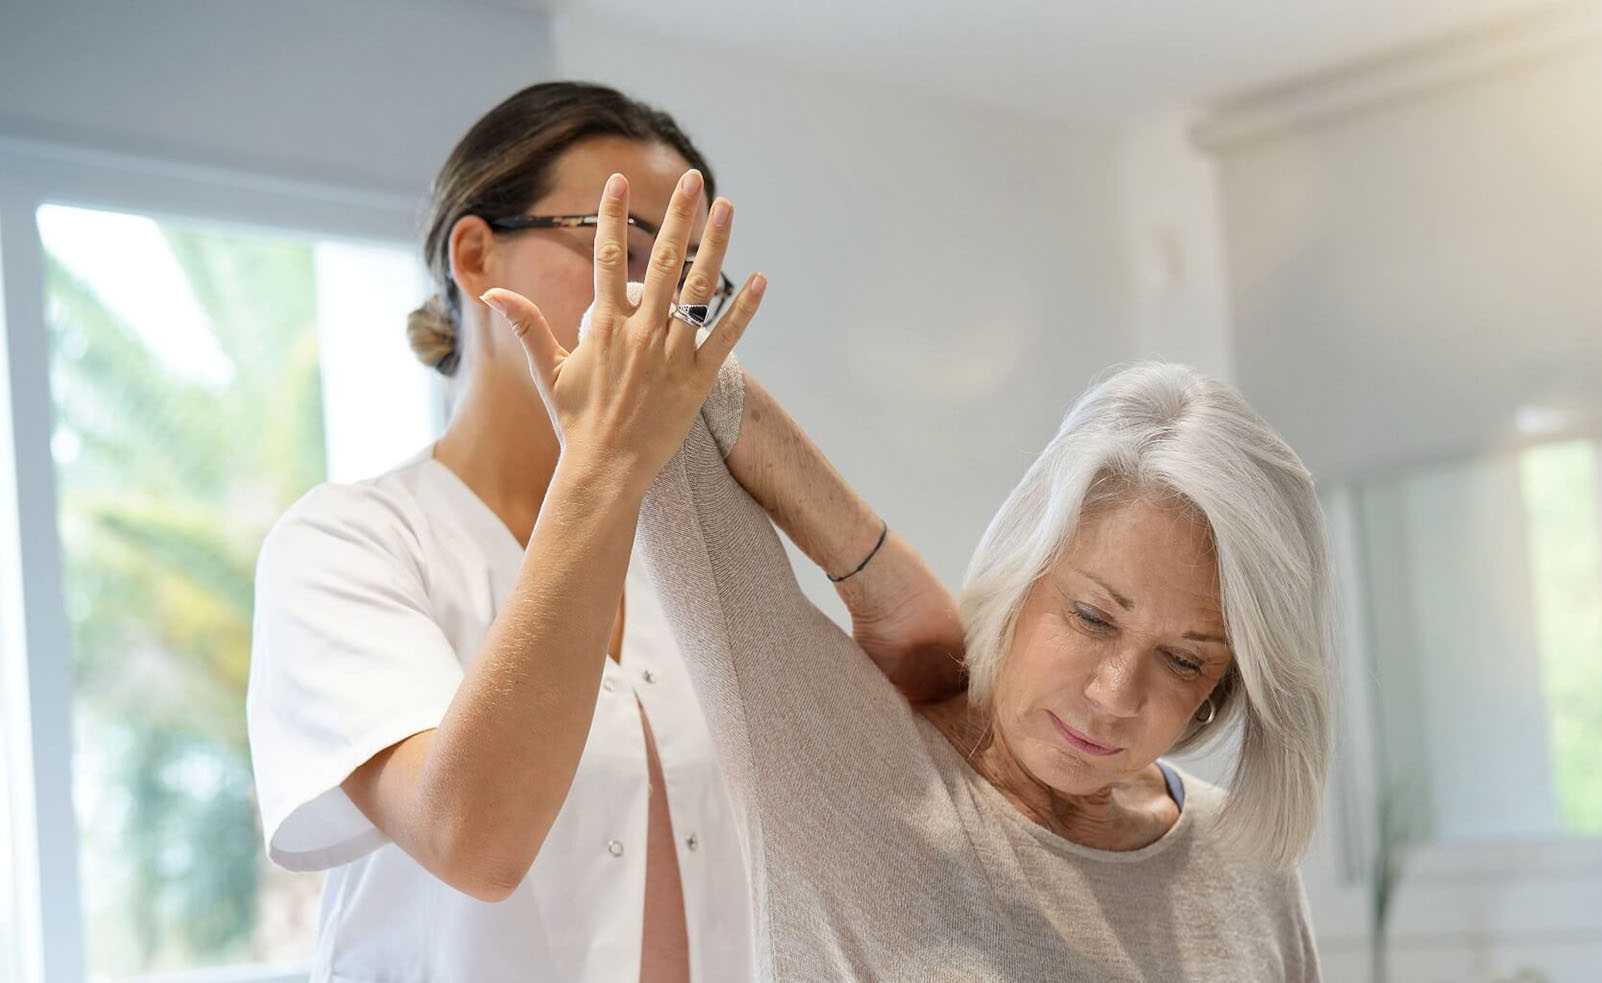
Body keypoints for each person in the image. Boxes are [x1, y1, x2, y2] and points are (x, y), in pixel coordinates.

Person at [485, 170, 1333, 980]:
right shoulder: (854, 774)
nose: (1117, 693)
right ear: (1026, 563)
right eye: (1092, 616)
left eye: (1184, 659)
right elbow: (666, 390)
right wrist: (881, 572)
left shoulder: (1243, 860)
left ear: (1225, 685)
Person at [245, 81, 949, 982]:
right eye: (626, 250)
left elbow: (936, 698)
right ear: (475, 254)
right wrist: (606, 464)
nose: (660, 306)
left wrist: (752, 440)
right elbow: (475, 841)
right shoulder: (348, 546)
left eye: (693, 279)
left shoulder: (694, 556)